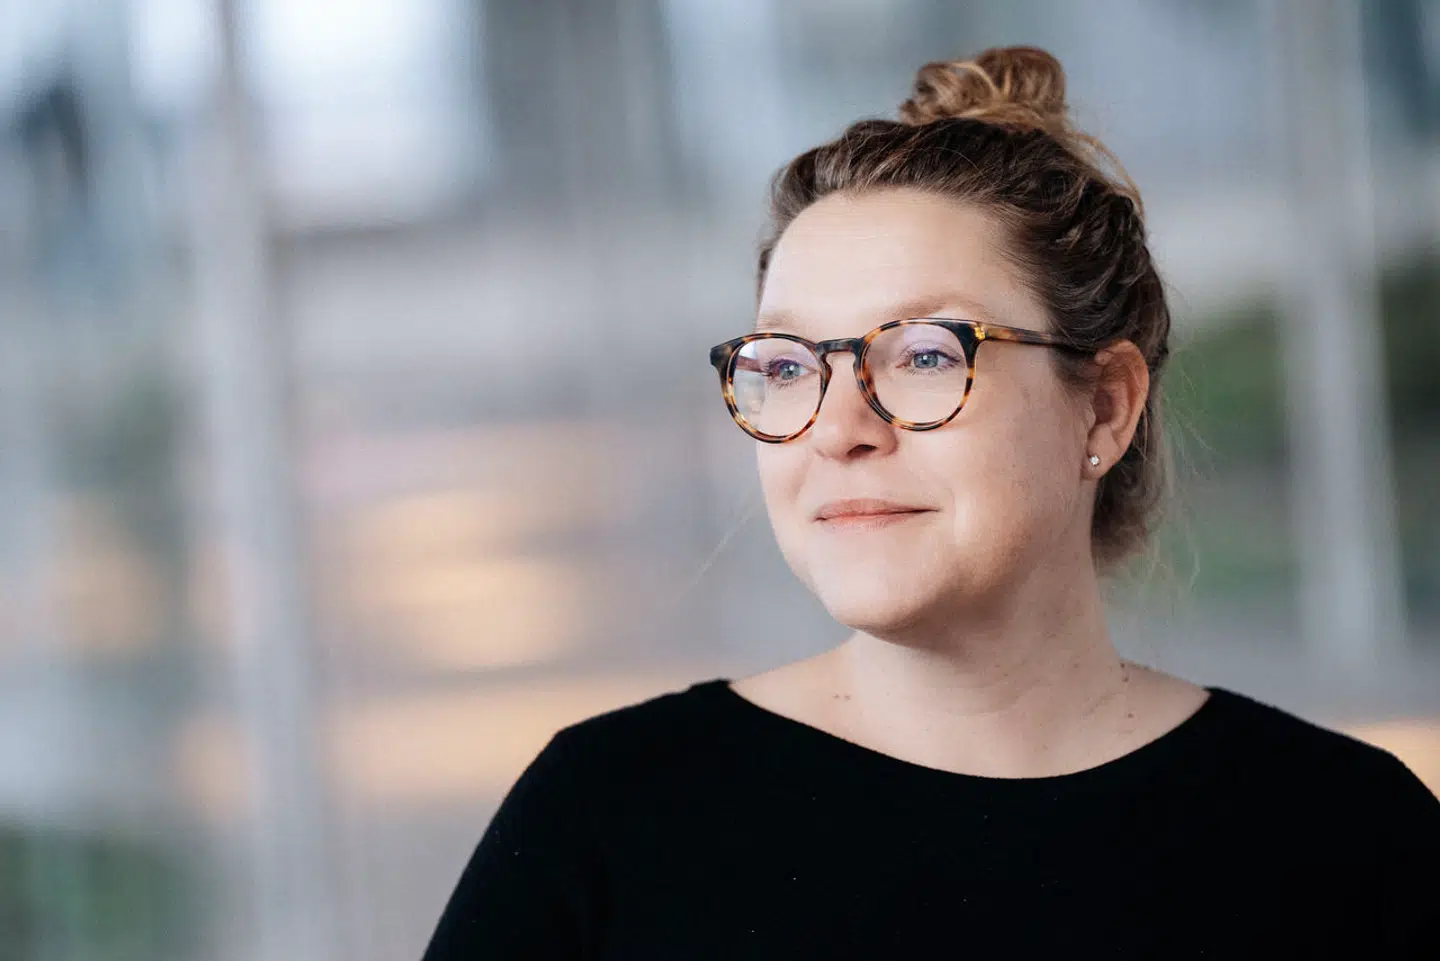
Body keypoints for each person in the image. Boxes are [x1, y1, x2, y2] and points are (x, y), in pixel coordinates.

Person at [421, 46, 1440, 958]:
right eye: (788, 365)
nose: (837, 428)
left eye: (921, 355)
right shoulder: (607, 816)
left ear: (1105, 405)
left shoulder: (1347, 837)